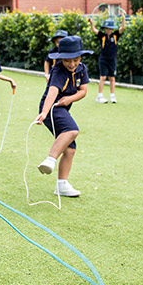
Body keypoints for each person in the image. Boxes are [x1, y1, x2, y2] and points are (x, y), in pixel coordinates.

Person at [34, 35, 91, 197]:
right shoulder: (58, 70)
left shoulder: (82, 69)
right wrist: (44, 113)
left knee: (71, 149)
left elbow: (83, 91)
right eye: (67, 60)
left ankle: (62, 185)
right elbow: (52, 92)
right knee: (72, 130)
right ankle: (50, 159)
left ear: (80, 57)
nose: (71, 64)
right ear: (61, 59)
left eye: (75, 59)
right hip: (52, 108)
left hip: (63, 107)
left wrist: (70, 100)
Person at [88, 14, 126, 103]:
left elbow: (122, 28)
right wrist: (91, 23)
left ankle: (112, 96)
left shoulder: (116, 35)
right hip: (103, 59)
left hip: (112, 59)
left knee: (112, 78)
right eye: (107, 28)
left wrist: (123, 19)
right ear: (105, 28)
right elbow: (94, 30)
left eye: (110, 28)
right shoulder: (102, 36)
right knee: (103, 77)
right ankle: (99, 96)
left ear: (112, 29)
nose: (108, 30)